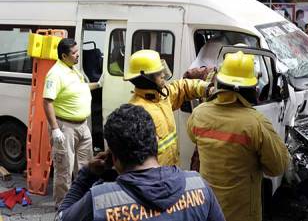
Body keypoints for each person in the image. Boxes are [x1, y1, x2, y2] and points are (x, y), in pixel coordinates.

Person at [56, 104, 226, 221]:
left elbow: (62, 216)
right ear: (156, 143)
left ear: (113, 157)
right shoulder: (198, 186)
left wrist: (87, 174)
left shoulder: (100, 200)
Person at [187, 50, 290, 221]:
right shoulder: (256, 123)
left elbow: (193, 137)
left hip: (208, 209)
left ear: (220, 81)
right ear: (251, 87)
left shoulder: (199, 114)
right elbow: (278, 167)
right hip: (242, 214)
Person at [125, 49, 213, 166]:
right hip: (155, 178)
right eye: (158, 73)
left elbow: (183, 87)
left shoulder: (161, 96)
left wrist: (207, 88)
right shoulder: (137, 112)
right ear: (146, 79)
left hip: (170, 171)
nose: (163, 75)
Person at [43, 38, 103, 208]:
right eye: (75, 53)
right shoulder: (55, 73)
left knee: (86, 165)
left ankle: (83, 201)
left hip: (82, 126)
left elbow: (80, 89)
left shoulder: (72, 69)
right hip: (65, 127)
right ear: (64, 55)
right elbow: (47, 101)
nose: (78, 56)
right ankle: (62, 207)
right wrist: (55, 129)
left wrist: (97, 84)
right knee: (64, 169)